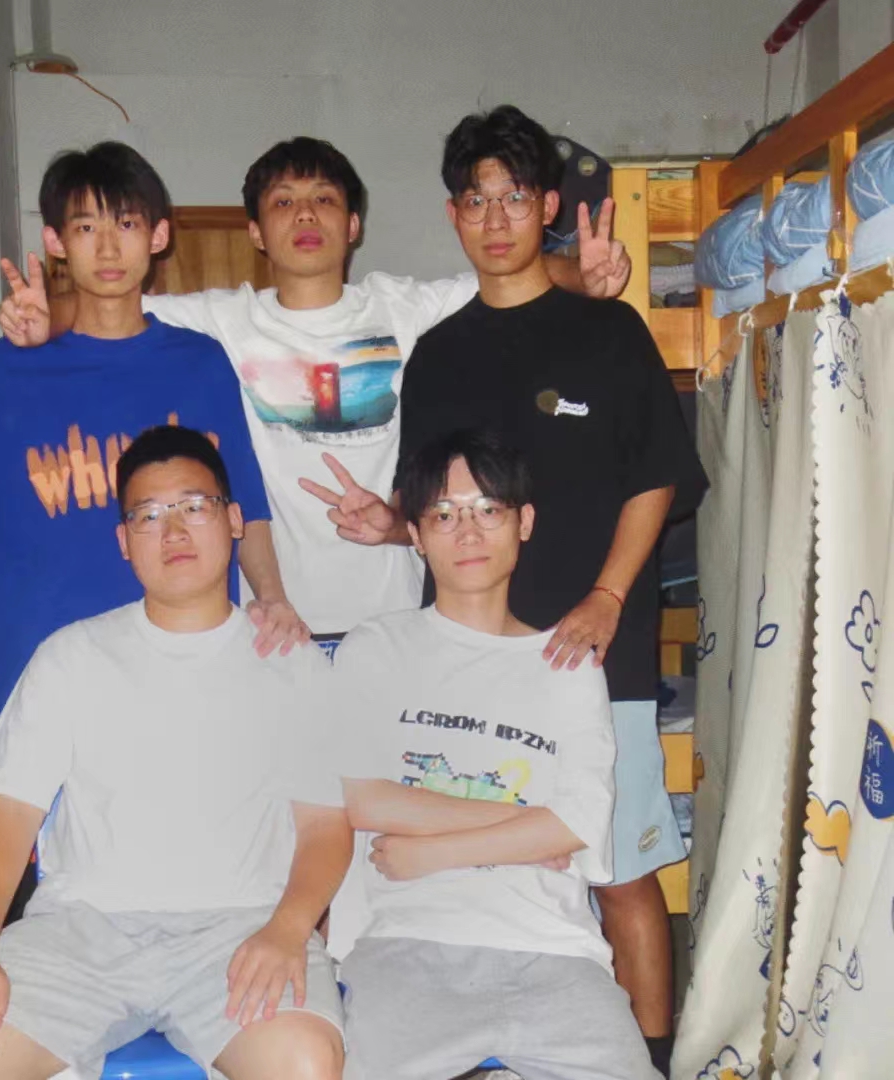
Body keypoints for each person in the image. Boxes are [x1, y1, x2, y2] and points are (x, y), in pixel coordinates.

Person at [304, 107, 708, 1076]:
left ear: (548, 208)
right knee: (476, 849)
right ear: (453, 214)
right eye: (476, 200)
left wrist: (609, 596)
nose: (495, 219)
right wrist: (390, 524)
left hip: (590, 645)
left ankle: (646, 1059)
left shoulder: (607, 331)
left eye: (514, 198)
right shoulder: (439, 354)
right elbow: (439, 500)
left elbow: (657, 476)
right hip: (464, 663)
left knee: (620, 872)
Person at [0, 136, 631, 650]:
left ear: (353, 225)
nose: (304, 215)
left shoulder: (400, 306)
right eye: (283, 202)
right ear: (255, 232)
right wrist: (44, 319)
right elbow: (114, 305)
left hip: (397, 619)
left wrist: (584, 274)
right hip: (274, 625)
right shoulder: (224, 319)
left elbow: (509, 276)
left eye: (323, 199)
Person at [0, 425, 351, 1080]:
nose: (173, 531)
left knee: (305, 1063)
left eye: (194, 506)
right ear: (123, 541)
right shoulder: (70, 657)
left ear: (234, 520)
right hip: (79, 935)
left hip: (243, 930)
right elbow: (8, 819)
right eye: (148, 515)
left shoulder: (293, 664)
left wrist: (287, 929)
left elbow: (325, 828)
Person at [0, 142, 302, 736]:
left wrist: (273, 597)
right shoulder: (11, 370)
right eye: (85, 227)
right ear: (56, 241)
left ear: (158, 235)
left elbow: (246, 509)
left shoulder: (201, 364)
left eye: (126, 224)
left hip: (180, 682)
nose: (107, 248)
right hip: (35, 691)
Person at [326, 429, 658, 1080]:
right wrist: (528, 827)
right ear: (415, 536)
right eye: (444, 515)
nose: (469, 532)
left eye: (488, 510)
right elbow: (358, 797)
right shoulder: (377, 649)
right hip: (407, 948)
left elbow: (579, 825)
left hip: (556, 955)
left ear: (523, 523)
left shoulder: (567, 664)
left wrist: (432, 850)